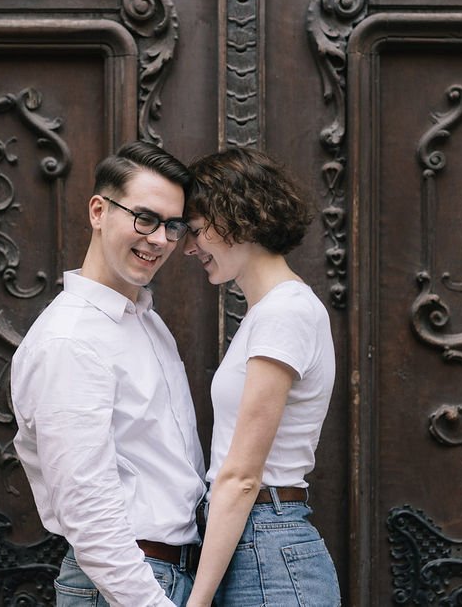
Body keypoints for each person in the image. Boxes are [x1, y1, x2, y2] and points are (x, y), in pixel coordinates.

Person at [10, 141, 206, 606]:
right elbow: (87, 509)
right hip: (125, 588)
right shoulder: (71, 340)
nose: (158, 239)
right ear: (99, 211)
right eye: (144, 218)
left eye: (172, 226)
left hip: (173, 575)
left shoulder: (146, 321)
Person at [182, 147, 341, 606]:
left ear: (235, 218)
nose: (190, 248)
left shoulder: (284, 313)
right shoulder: (269, 313)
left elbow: (243, 476)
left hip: (266, 547)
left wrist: (197, 601)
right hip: (257, 543)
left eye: (195, 231)